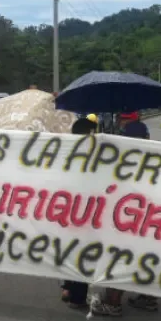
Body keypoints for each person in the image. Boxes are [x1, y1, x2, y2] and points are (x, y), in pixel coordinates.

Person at [91, 111, 157, 316]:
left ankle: (113, 302)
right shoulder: (149, 156)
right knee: (142, 254)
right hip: (146, 211)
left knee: (119, 255)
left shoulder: (125, 157)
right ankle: (148, 296)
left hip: (127, 213)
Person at [60, 117, 98, 308]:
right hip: (86, 212)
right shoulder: (96, 152)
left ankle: (67, 286)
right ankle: (76, 294)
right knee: (82, 252)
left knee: (69, 248)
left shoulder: (66, 150)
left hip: (68, 210)